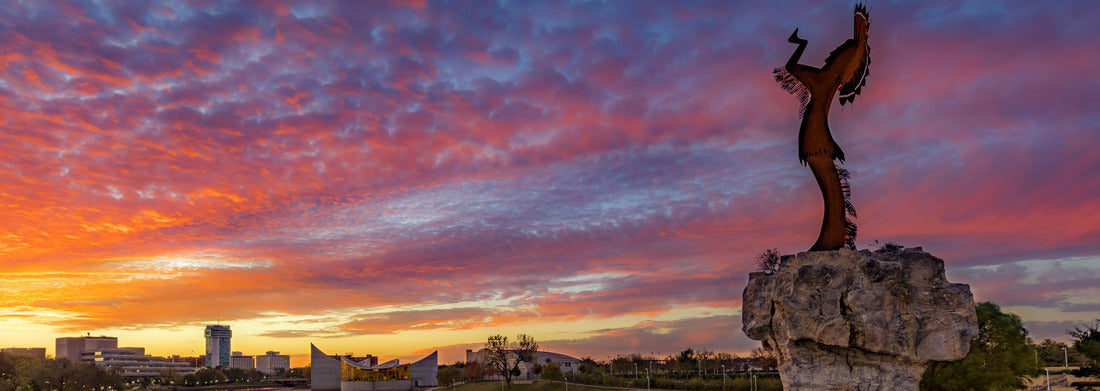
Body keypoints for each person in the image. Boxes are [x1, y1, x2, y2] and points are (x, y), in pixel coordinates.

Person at [775, 4, 870, 251]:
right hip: (816, 140)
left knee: (834, 192)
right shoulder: (822, 79)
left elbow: (792, 68)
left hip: (816, 139)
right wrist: (801, 44)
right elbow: (792, 69)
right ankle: (831, 240)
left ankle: (831, 240)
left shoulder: (825, 80)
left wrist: (801, 44)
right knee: (833, 192)